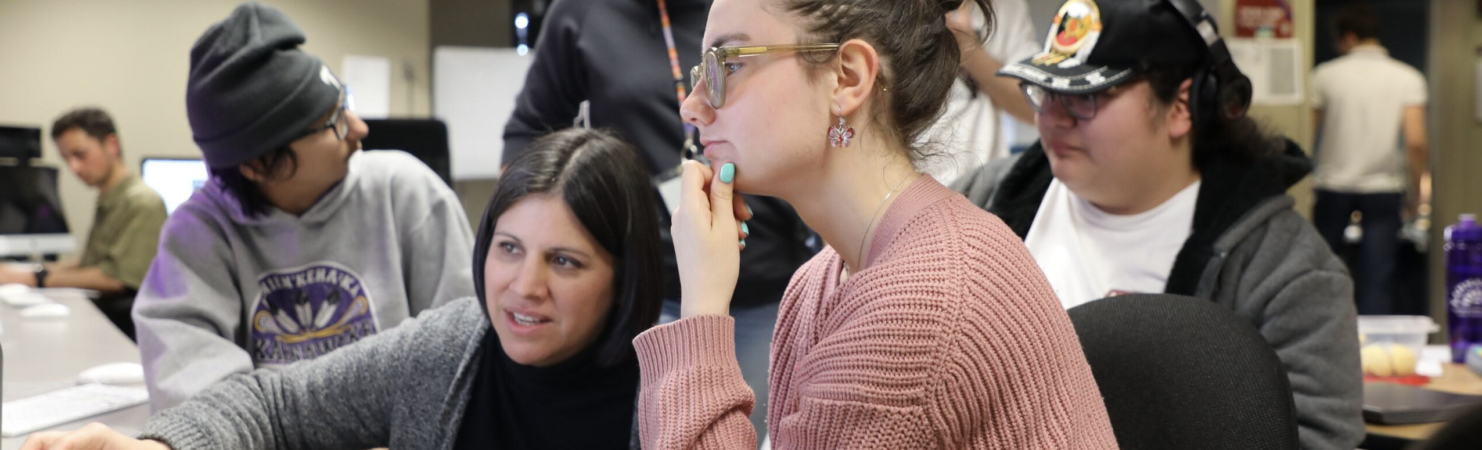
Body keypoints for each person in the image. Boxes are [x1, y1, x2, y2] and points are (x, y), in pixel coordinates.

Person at [634, 0, 1122, 447]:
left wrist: (700, 310)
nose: (692, 106)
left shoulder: (918, 306)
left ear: (847, 78)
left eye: (730, 65)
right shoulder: (818, 282)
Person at [21, 128, 664, 450]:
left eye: (566, 262)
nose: (525, 288)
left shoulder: (671, 395)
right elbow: (275, 404)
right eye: (509, 249)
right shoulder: (448, 348)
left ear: (624, 274)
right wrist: (159, 449)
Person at [953, 0, 1363, 448]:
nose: (1051, 117)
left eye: (1085, 97)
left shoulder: (1285, 272)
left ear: (1182, 105)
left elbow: (1315, 440)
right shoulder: (977, 204)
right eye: (1044, 91)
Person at [132, 2, 475, 412]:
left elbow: (463, 357)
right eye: (334, 123)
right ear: (258, 163)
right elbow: (202, 408)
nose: (360, 128)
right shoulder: (197, 234)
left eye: (344, 103)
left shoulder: (408, 193)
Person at [502, 0, 816, 439]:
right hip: (644, 289)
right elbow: (528, 130)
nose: (695, 106)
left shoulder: (749, 11)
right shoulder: (583, 13)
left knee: (732, 431)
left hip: (768, 281)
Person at [0, 108, 166, 339]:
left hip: (123, 330)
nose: (73, 168)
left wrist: (32, 278)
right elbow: (92, 261)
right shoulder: (111, 198)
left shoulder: (142, 202)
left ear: (111, 144)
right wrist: (26, 270)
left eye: (80, 155)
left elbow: (117, 277)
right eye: (66, 159)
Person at [1310, 3, 1429, 315]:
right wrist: (1416, 193)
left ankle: (1324, 344)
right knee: (1378, 278)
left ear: (1347, 37)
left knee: (1322, 276)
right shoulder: (1408, 77)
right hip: (1383, 187)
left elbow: (1305, 134)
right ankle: (1376, 355)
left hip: (1333, 184)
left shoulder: (1325, 75)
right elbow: (1416, 143)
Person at [916, 0, 1039, 181]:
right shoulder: (887, 9)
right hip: (909, 187)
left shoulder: (1008, 7)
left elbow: (1034, 107)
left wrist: (970, 52)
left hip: (985, 188)